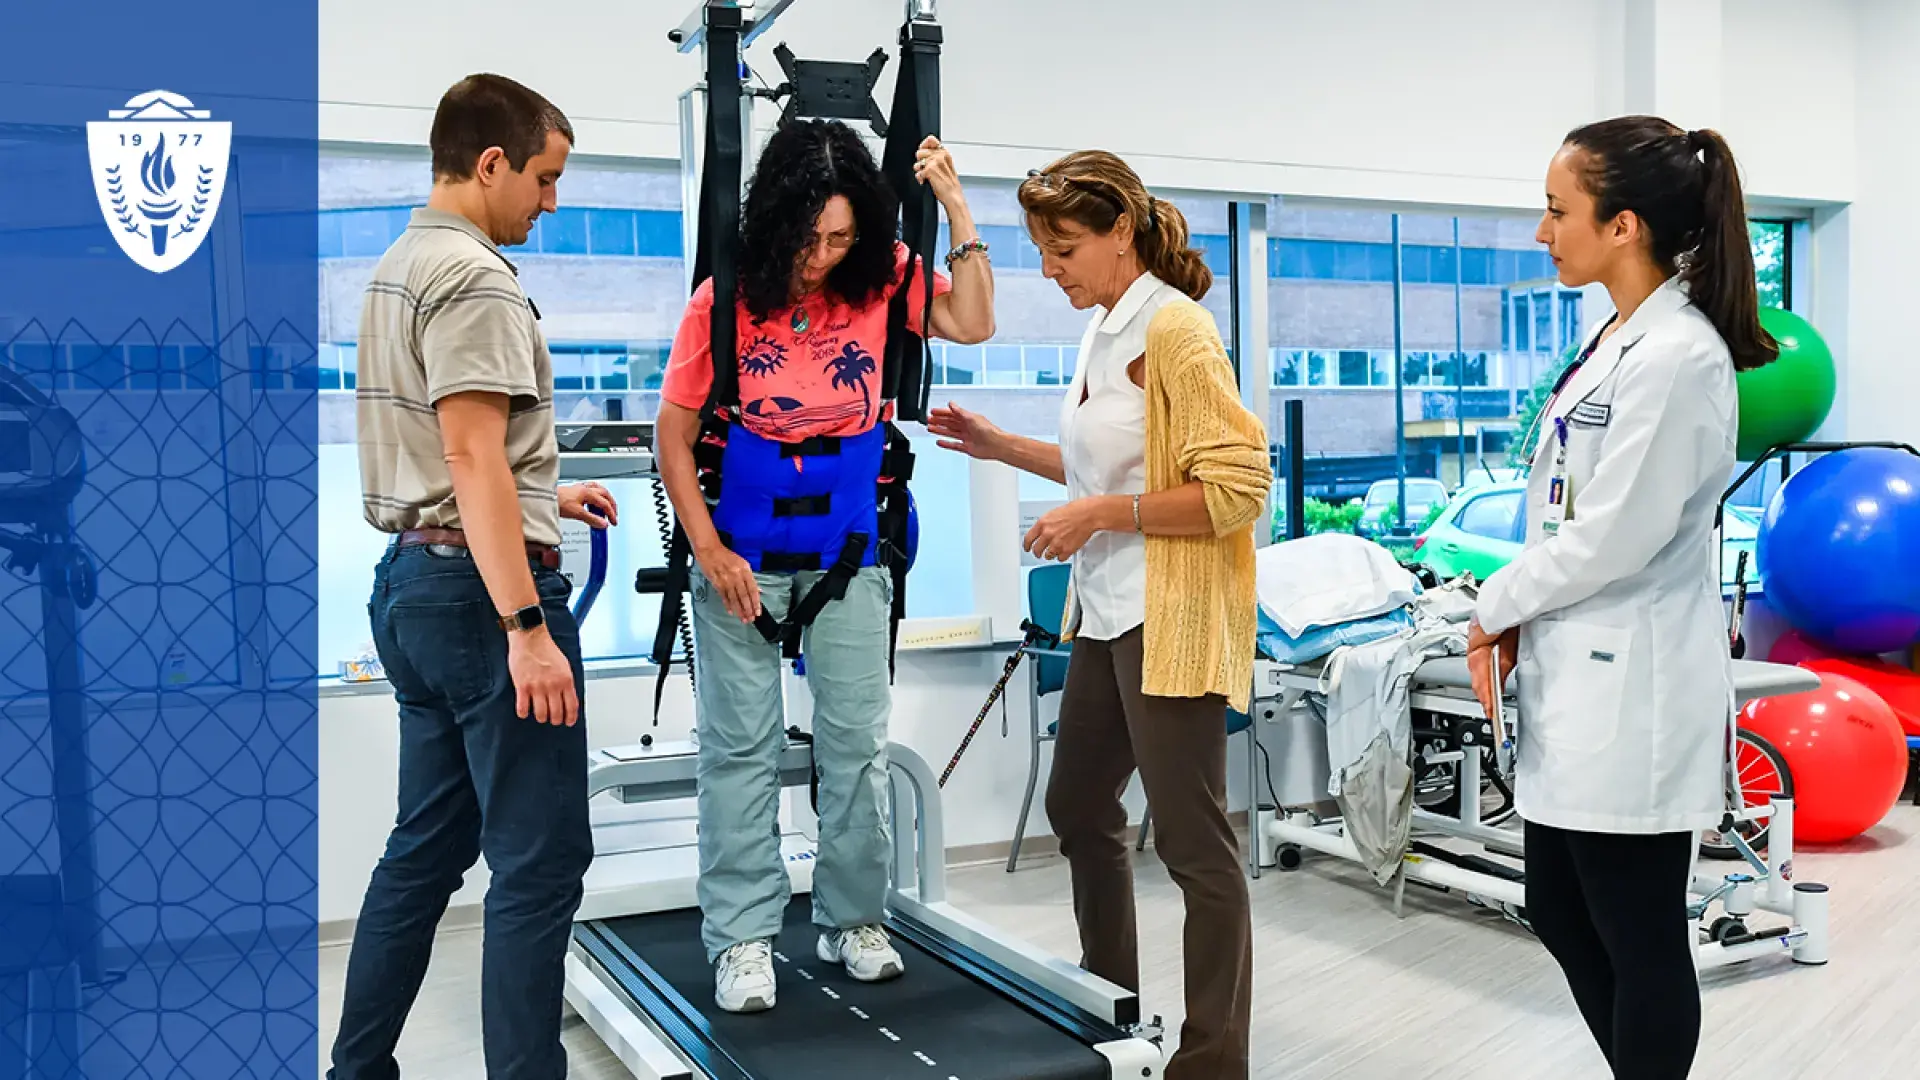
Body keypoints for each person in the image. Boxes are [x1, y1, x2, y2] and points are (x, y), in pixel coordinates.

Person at [927, 151, 1270, 1080]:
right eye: (1041, 248)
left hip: (1173, 612)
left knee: (1198, 846)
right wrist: (1000, 447)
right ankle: (1107, 1007)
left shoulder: (1178, 330)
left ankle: (1212, 1060)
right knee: (1078, 804)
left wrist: (1100, 515)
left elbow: (1240, 489)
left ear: (1121, 231)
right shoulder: (1104, 325)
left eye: (1063, 247)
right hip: (1109, 613)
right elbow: (1108, 470)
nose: (1049, 267)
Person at [654, 117, 994, 1014]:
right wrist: (709, 549)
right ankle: (741, 941)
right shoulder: (722, 300)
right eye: (809, 236)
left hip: (848, 554)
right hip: (742, 557)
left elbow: (976, 318)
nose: (822, 254)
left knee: (855, 746)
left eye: (841, 236)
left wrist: (956, 205)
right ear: (776, 220)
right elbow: (674, 437)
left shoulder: (883, 278)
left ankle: (853, 919)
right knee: (741, 753)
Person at [1467, 116, 1778, 1080]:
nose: (1541, 230)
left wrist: (1492, 605)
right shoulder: (1620, 339)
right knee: (1559, 909)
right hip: (1583, 671)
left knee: (1638, 935)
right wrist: (1514, 608)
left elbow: (1615, 534)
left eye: (1557, 211)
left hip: (1632, 689)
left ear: (1625, 225)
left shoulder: (1679, 355)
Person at [331, 73, 619, 1080]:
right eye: (544, 179)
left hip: (413, 588)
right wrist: (527, 627)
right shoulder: (478, 277)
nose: (552, 201)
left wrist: (550, 495)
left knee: (423, 853)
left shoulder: (396, 267)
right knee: (539, 868)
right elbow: (470, 458)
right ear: (490, 163)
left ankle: (355, 1070)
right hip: (478, 603)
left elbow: (459, 450)